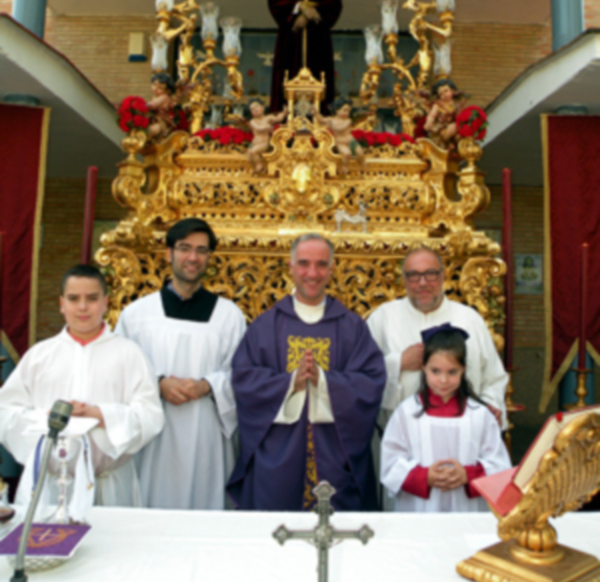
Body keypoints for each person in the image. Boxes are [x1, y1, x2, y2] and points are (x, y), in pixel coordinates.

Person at [227, 233, 385, 512]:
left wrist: (323, 381)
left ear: (332, 269)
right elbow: (244, 380)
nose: (312, 273)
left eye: (321, 264)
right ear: (290, 267)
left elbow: (371, 381)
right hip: (277, 459)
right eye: (303, 263)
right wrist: (290, 383)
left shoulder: (352, 327)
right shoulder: (265, 326)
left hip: (335, 457)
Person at [0, 264, 164, 510]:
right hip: (50, 484)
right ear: (62, 303)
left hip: (108, 485)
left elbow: (151, 415)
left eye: (92, 298)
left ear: (106, 302)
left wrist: (99, 415)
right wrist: (48, 419)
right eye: (74, 299)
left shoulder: (130, 354)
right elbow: (6, 411)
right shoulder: (39, 356)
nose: (83, 307)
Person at [116, 218, 247, 509]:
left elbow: (242, 372)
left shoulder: (229, 316)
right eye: (185, 248)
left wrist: (207, 385)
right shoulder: (137, 314)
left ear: (209, 258)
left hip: (207, 433)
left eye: (202, 250)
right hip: (154, 435)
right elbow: (119, 369)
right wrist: (158, 382)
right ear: (169, 253)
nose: (193, 257)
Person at [367, 247, 508, 428]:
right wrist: (398, 362)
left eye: (431, 274)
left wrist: (489, 407)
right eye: (414, 275)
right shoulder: (383, 318)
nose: (423, 282)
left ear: (443, 277)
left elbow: (494, 378)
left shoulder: (470, 319)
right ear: (404, 280)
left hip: (462, 431)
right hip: (400, 435)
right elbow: (359, 373)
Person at [381, 324, 511, 512]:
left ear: (463, 370)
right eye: (435, 371)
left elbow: (499, 466)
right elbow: (390, 464)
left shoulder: (479, 415)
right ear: (423, 368)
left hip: (467, 510)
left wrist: (468, 475)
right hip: (420, 512)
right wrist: (425, 477)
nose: (443, 380)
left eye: (452, 372)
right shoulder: (406, 413)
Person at [313, 96, 364, 174]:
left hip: (351, 141)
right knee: (347, 154)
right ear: (337, 110)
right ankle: (345, 167)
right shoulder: (331, 120)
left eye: (348, 111)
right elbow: (321, 120)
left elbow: (339, 128)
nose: (346, 113)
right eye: (344, 110)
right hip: (340, 142)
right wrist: (316, 113)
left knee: (360, 152)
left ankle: (361, 164)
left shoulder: (348, 121)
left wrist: (331, 125)